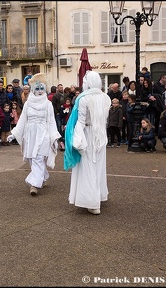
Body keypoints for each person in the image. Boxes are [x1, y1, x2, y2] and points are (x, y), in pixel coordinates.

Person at [64, 71, 111, 215]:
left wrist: (75, 138)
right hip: (100, 135)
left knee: (88, 167)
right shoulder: (106, 97)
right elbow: (104, 120)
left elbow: (80, 122)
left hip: (87, 134)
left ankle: (91, 201)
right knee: (98, 167)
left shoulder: (83, 98)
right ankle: (98, 195)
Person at [7, 73, 61, 196]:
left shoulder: (48, 104)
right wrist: (14, 134)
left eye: (42, 88)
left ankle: (34, 184)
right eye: (37, 88)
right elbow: (22, 121)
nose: (40, 91)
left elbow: (52, 121)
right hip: (30, 135)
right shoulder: (28, 104)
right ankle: (43, 175)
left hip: (43, 134)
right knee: (33, 158)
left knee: (39, 157)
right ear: (32, 89)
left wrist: (54, 136)